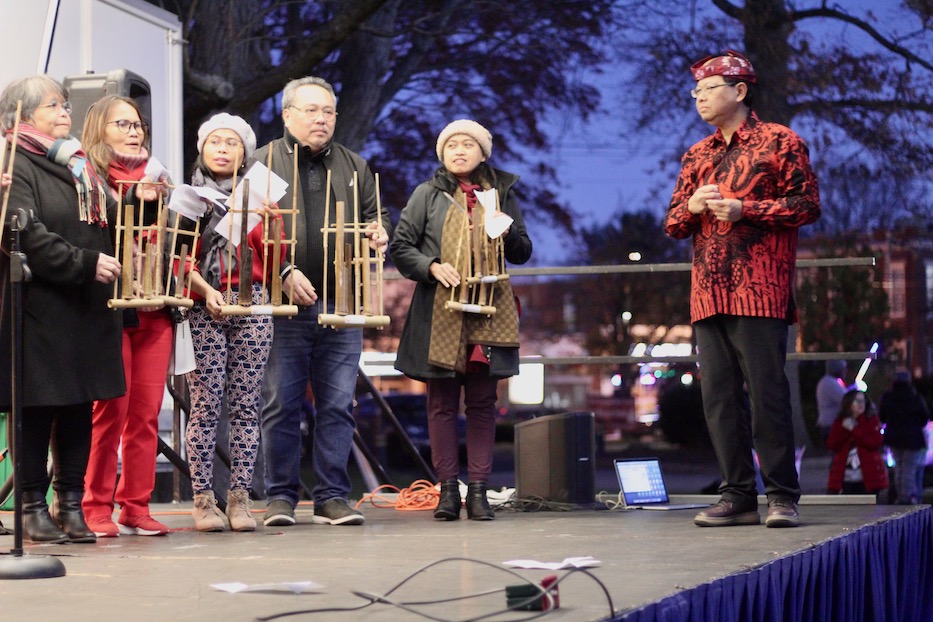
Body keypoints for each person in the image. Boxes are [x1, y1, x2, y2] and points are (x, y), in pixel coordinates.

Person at [664, 51, 821, 528]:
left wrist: (745, 209)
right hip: (708, 292)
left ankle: (781, 495)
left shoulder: (780, 141)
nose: (700, 98)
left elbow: (807, 204)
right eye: (696, 92)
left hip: (760, 288)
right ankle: (736, 495)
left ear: (739, 91)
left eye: (709, 89)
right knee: (719, 397)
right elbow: (672, 224)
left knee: (768, 392)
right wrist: (692, 205)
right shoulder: (697, 154)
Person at [256, 76, 391, 528]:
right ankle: (280, 497)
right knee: (280, 404)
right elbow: (243, 236)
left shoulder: (354, 166)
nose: (321, 119)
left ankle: (333, 495)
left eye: (328, 111)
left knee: (337, 405)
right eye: (311, 110)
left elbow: (377, 217)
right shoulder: (263, 164)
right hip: (283, 303)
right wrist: (282, 272)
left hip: (344, 301)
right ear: (287, 114)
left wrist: (379, 233)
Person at [0, 75, 124, 543]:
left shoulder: (78, 164)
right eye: (53, 105)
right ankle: (32, 505)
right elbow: (26, 235)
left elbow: (108, 222)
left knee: (78, 404)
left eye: (65, 104)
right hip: (40, 305)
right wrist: (85, 263)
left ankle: (69, 503)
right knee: (35, 407)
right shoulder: (14, 162)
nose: (65, 112)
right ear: (23, 115)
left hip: (87, 306)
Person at [391, 120, 532, 521]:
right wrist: (432, 266)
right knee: (441, 402)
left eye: (467, 143)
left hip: (490, 305)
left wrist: (503, 231)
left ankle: (481, 492)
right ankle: (449, 491)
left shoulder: (501, 192)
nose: (458, 150)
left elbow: (522, 251)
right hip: (441, 308)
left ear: (483, 152)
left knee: (483, 403)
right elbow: (402, 246)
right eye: (451, 144)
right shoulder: (427, 194)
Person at [183, 113, 283, 532]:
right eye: (215, 142)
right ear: (202, 149)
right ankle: (204, 500)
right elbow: (175, 258)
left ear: (245, 151)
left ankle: (240, 499)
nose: (223, 149)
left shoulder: (259, 197)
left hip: (253, 303)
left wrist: (273, 224)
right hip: (203, 304)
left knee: (246, 405)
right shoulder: (187, 198)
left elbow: (275, 260)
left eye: (233, 142)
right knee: (206, 407)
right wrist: (206, 292)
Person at [80, 94, 173, 538]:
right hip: (112, 310)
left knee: (146, 413)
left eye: (138, 125)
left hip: (156, 309)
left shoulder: (162, 178)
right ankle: (94, 504)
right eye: (123, 124)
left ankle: (135, 504)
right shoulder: (87, 176)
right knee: (109, 411)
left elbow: (179, 242)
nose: (135, 132)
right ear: (100, 128)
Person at [826, 389, 889, 502]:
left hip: (868, 477)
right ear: (848, 403)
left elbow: (874, 442)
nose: (861, 404)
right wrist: (846, 430)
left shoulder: (871, 421)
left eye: (863, 401)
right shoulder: (840, 422)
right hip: (845, 478)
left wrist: (855, 429)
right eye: (857, 401)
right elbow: (833, 444)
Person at [879, 370, 930, 504]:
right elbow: (924, 418)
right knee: (909, 468)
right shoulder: (915, 397)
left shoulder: (888, 397)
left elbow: (882, 416)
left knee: (899, 467)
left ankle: (900, 494)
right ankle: (905, 497)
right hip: (913, 438)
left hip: (894, 437)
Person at [816, 360, 848, 445]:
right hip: (831, 426)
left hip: (828, 425)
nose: (845, 372)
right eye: (843, 369)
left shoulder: (828, 382)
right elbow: (845, 399)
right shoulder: (830, 383)